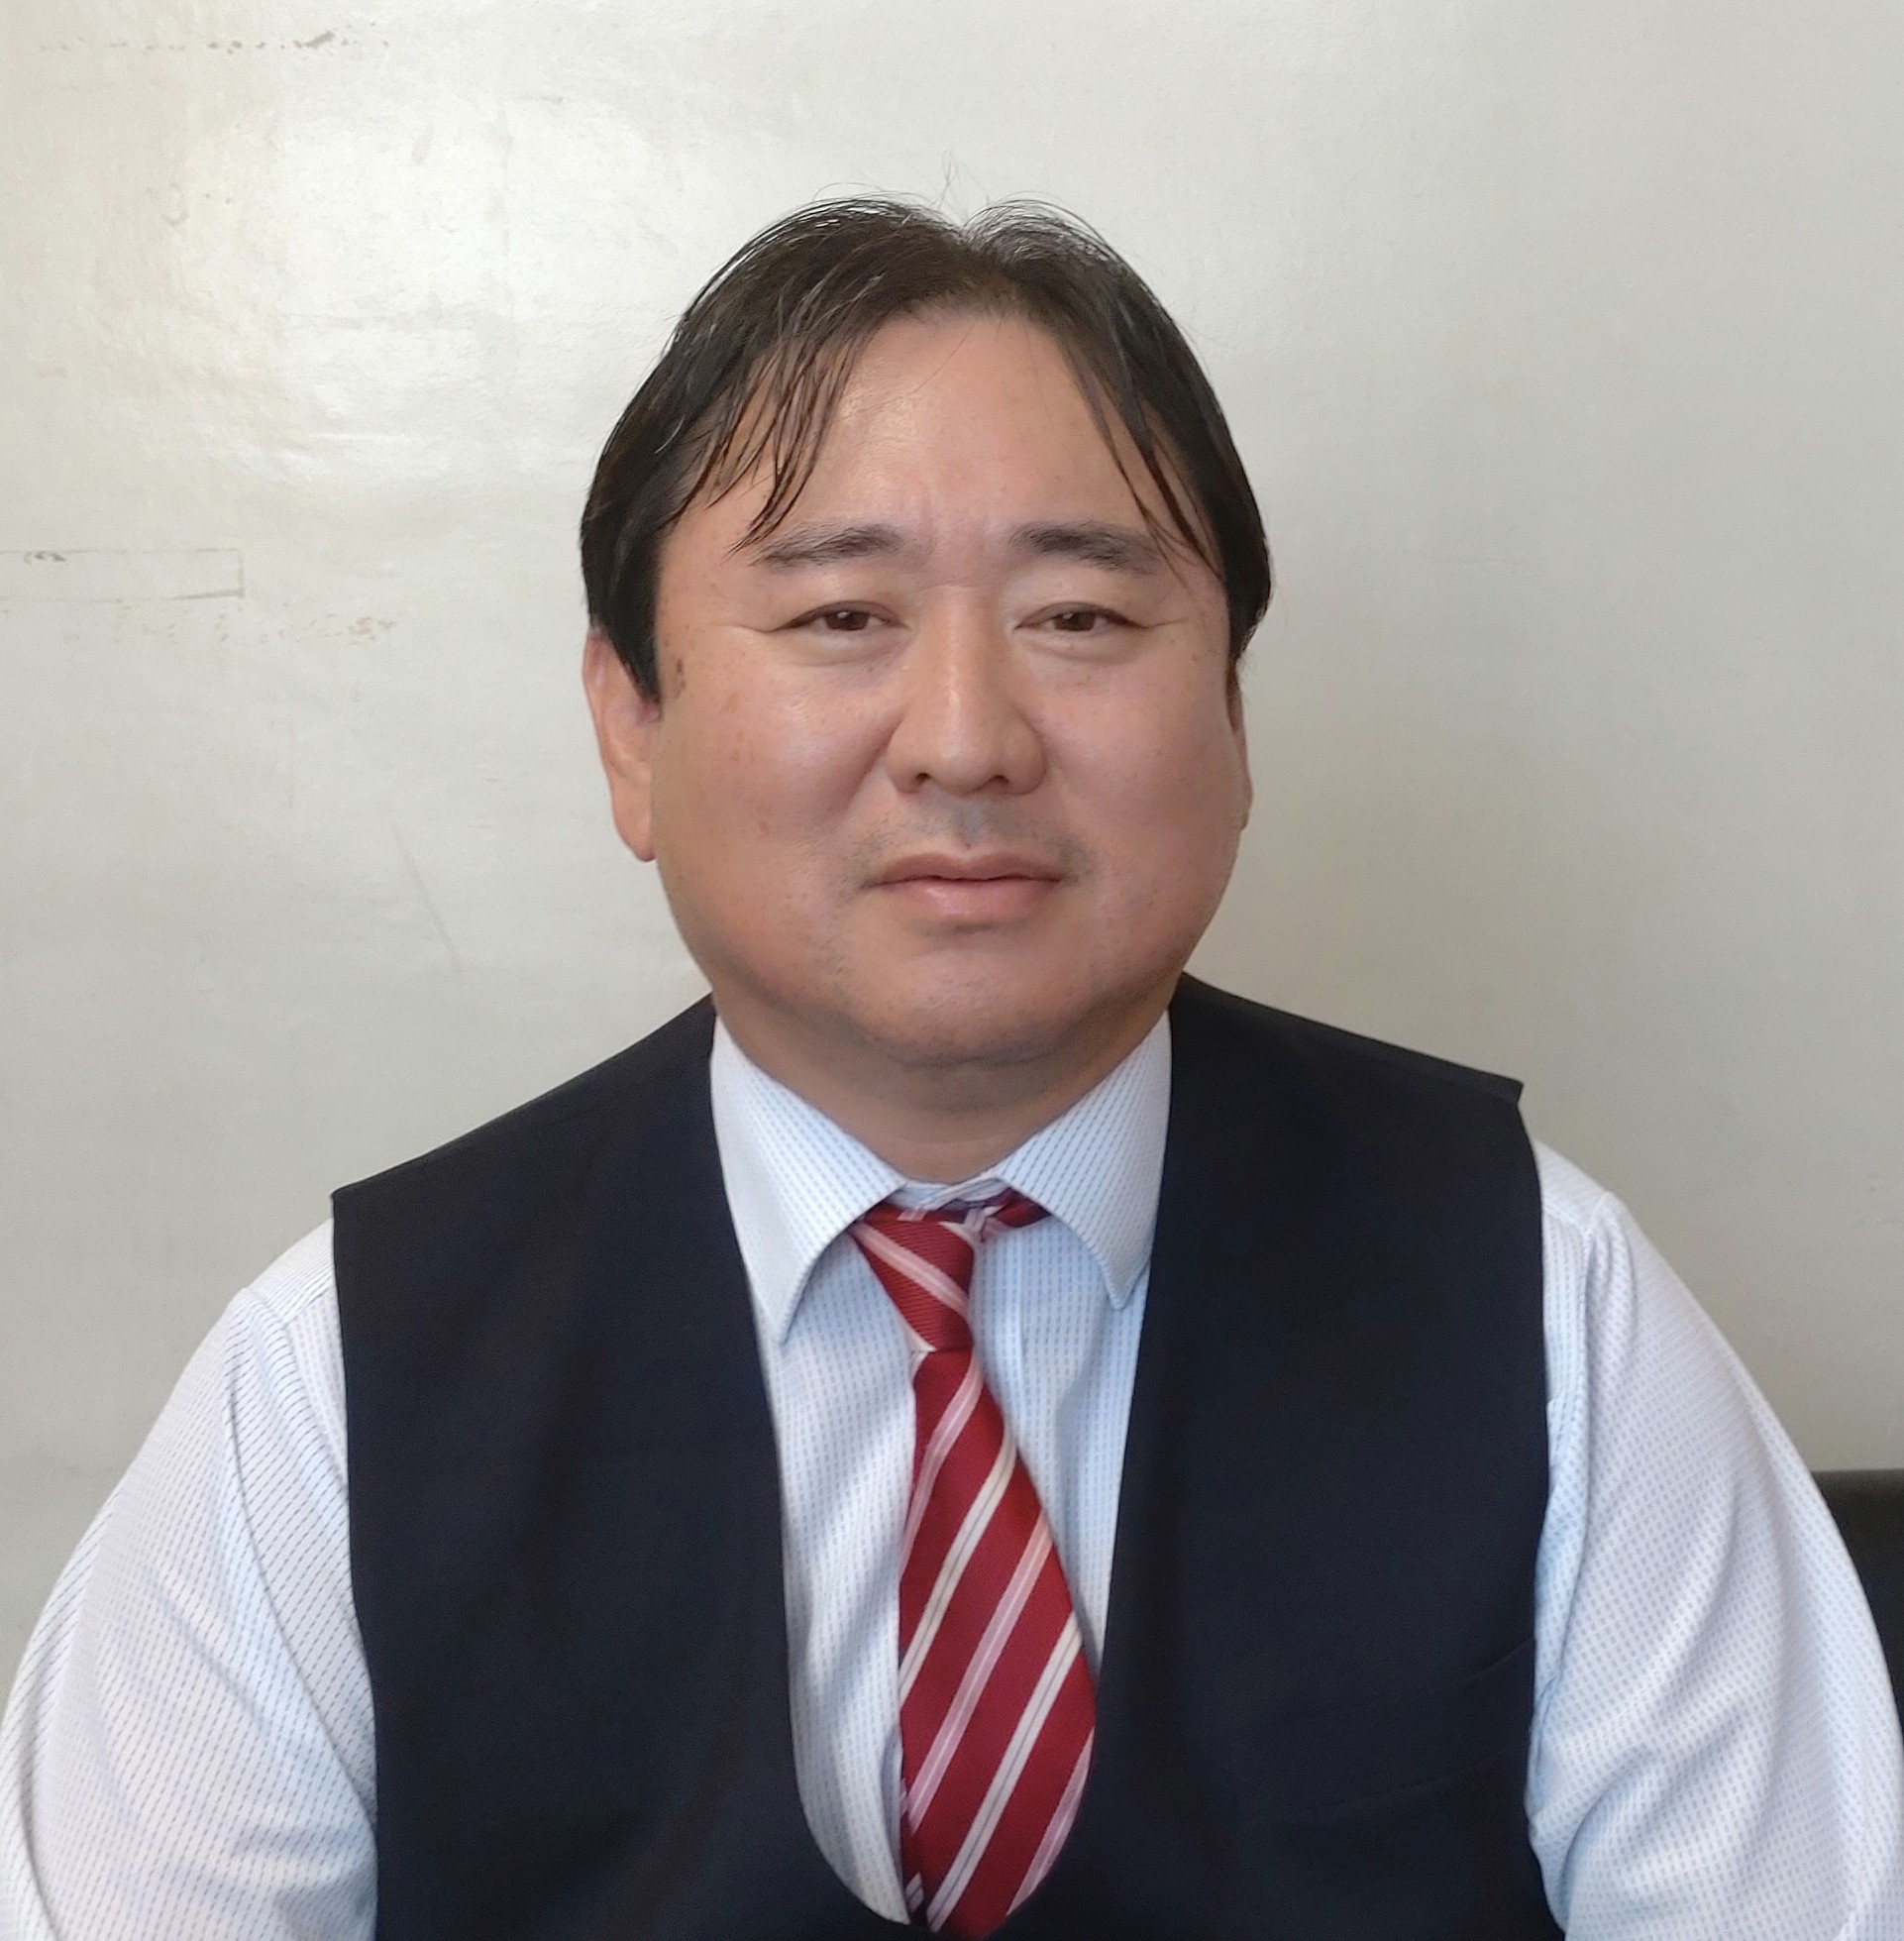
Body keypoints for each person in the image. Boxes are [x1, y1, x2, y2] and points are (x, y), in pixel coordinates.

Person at [1, 198, 1899, 1941]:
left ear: (1232, 719)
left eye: (1081, 618)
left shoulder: (1543, 1302)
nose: (968, 737)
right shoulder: (338, 1377)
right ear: (630, 729)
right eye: (841, 617)